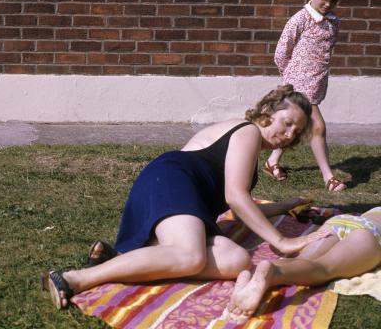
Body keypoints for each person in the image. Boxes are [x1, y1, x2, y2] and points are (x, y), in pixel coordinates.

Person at [45, 85, 331, 309]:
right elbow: (235, 197)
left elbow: (241, 206)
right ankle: (73, 278)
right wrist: (282, 241)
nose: (290, 134)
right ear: (268, 110)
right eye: (288, 123)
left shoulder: (250, 145)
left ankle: (126, 258)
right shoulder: (248, 132)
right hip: (171, 181)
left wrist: (288, 205)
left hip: (184, 197)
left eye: (297, 131)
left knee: (236, 261)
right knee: (192, 256)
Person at [264, 0, 347, 191]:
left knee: (295, 126)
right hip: (298, 83)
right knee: (317, 126)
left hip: (316, 83)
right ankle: (328, 177)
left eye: (334, 0)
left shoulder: (333, 22)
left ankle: (272, 161)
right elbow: (281, 51)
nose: (328, 4)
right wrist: (289, 77)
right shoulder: (300, 19)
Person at [224, 206, 381, 323]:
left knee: (301, 261)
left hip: (340, 222)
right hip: (369, 232)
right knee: (324, 268)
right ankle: (274, 274)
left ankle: (269, 269)